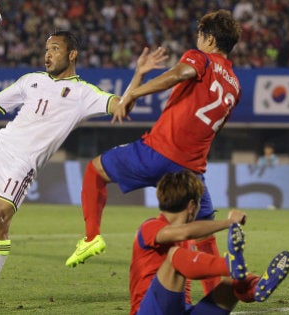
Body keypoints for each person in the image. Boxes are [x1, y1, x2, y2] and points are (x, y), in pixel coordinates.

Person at [0, 30, 167, 314]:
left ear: (72, 55)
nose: (48, 54)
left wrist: (139, 75)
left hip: (21, 163)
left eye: (55, 49)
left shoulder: (84, 93)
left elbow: (121, 106)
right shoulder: (30, 81)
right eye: (46, 49)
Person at [66, 9, 241, 295]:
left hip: (158, 152)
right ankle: (216, 298)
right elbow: (213, 129)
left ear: (209, 39)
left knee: (95, 170)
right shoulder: (235, 86)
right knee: (205, 234)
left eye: (200, 34)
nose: (197, 39)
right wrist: (140, 73)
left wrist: (135, 91)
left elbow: (178, 73)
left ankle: (91, 237)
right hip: (192, 170)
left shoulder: (200, 58)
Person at [130, 170, 289, 314]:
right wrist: (229, 223)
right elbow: (183, 232)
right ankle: (232, 267)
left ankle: (256, 287)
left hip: (181, 310)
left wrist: (242, 277)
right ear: (192, 206)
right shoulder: (150, 227)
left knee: (229, 283)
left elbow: (200, 263)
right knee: (173, 258)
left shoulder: (184, 243)